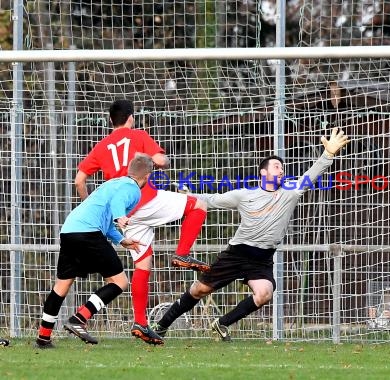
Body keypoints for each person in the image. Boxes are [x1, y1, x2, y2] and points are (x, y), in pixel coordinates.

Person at [151, 127, 349, 341]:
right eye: (276, 167)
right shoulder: (244, 195)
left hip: (262, 259)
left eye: (282, 168)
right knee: (200, 290)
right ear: (263, 172)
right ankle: (162, 325)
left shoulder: (291, 191)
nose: (281, 170)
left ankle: (222, 324)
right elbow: (212, 200)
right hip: (237, 254)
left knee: (264, 293)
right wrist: (187, 197)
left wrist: (328, 154)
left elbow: (311, 174)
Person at [75, 99, 209, 345]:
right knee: (198, 205)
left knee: (143, 263)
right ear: (130, 118)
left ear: (110, 121)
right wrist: (150, 156)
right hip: (143, 199)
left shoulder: (102, 145)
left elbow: (80, 179)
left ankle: (140, 323)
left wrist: (90, 206)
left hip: (124, 212)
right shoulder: (138, 135)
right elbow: (160, 161)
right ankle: (183, 253)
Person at [35, 154, 154, 349]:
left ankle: (43, 337)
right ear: (147, 176)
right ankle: (79, 318)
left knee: (62, 286)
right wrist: (120, 217)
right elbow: (118, 203)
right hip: (88, 234)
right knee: (119, 282)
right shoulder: (132, 189)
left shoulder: (113, 183)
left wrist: (122, 240)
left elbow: (105, 223)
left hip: (69, 231)